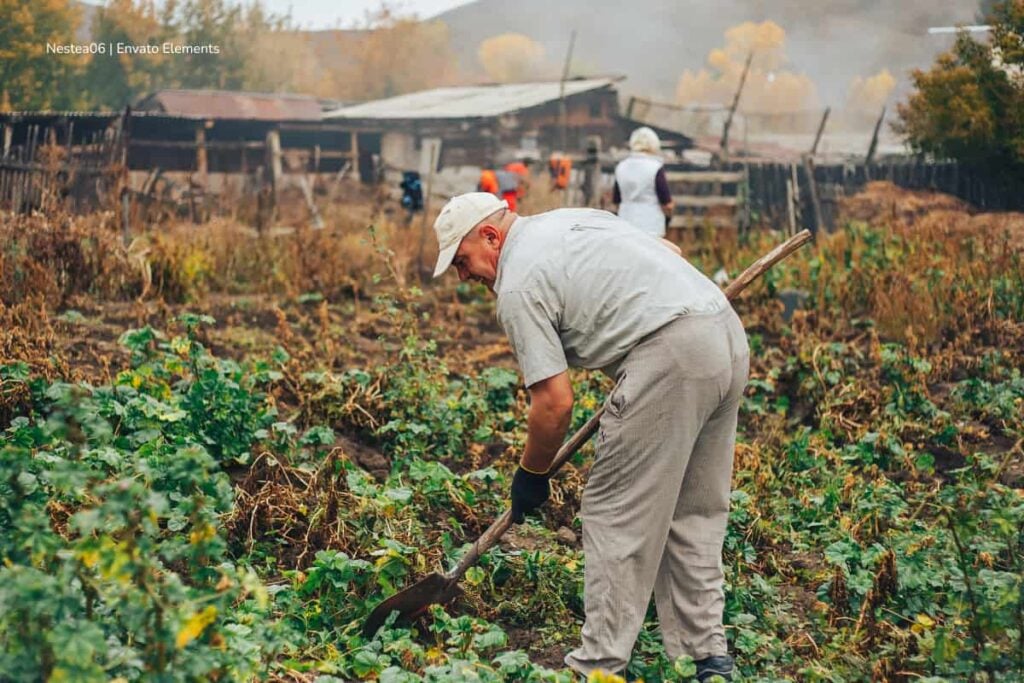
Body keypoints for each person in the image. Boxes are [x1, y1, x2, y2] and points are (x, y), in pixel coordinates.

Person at [432, 192, 748, 682]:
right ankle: (707, 659)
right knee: (693, 510)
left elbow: (554, 402)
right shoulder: (573, 221)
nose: (463, 276)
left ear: (490, 237)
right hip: (723, 333)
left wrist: (530, 475)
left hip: (673, 357)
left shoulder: (519, 284)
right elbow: (671, 253)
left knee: (615, 513)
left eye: (462, 260)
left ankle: (598, 668)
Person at [613, 127, 674, 237]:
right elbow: (667, 203)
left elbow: (616, 200)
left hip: (625, 221)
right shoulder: (655, 167)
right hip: (651, 223)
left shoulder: (621, 167)